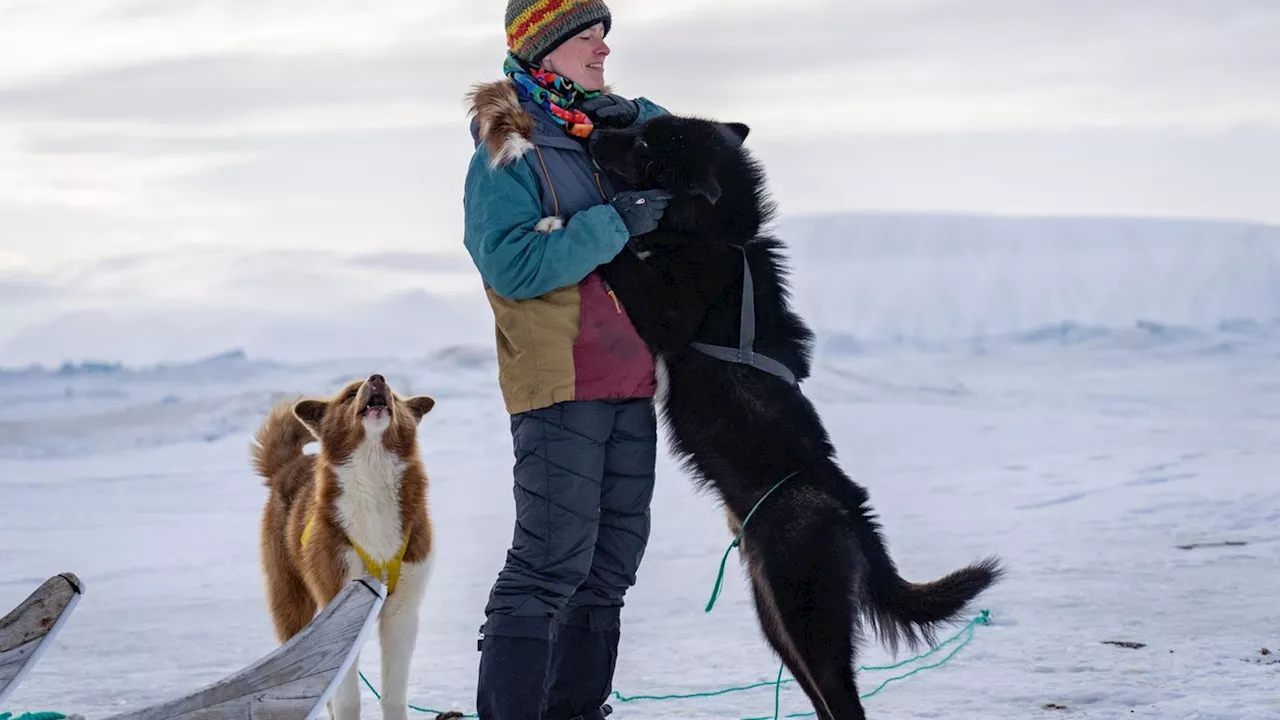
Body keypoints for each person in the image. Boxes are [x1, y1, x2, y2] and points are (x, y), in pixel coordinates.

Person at [460, 1, 673, 718]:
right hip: (561, 381)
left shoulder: (604, 126)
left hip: (633, 376)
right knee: (550, 564)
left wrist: (644, 122)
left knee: (610, 568)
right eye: (587, 36)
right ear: (544, 46)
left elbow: (689, 149)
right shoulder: (509, 144)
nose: (603, 49)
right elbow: (511, 265)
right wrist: (616, 223)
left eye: (606, 34)